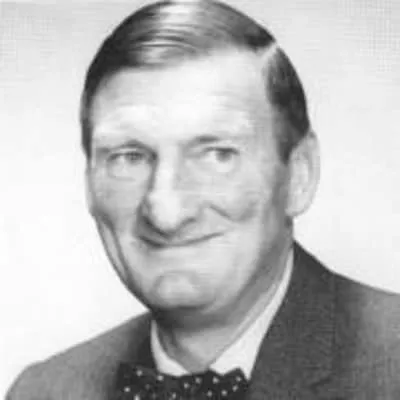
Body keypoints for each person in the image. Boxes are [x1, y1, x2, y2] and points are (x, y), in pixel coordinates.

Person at [7, 0, 400, 398]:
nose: (166, 213)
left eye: (217, 155)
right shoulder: (44, 391)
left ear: (300, 175)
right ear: (89, 182)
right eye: (129, 157)